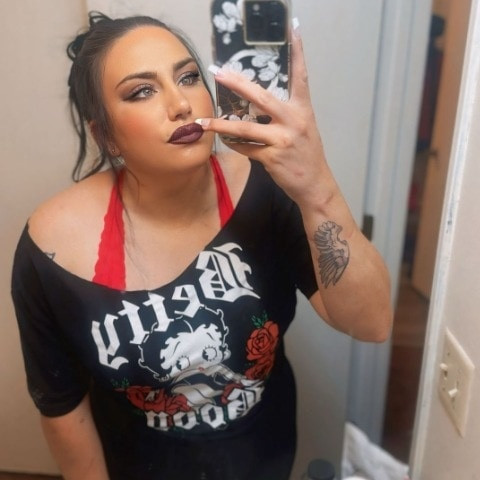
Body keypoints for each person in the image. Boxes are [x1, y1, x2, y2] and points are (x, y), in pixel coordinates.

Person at [11, 11, 392, 480]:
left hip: (263, 457)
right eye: (142, 91)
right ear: (105, 135)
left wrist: (318, 187)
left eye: (189, 77)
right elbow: (62, 407)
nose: (181, 104)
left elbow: (372, 322)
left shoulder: (265, 188)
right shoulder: (51, 247)